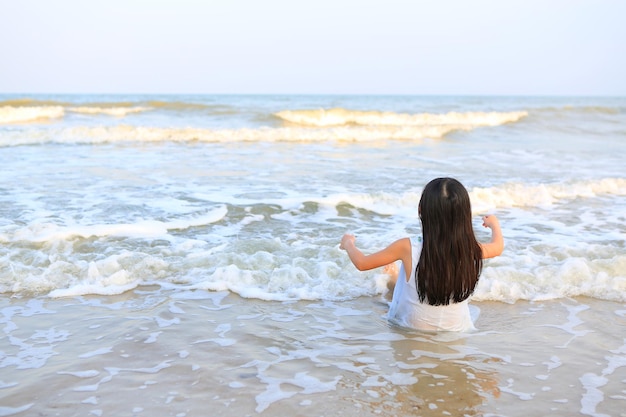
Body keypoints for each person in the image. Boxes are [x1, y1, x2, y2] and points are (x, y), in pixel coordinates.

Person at [340, 177, 503, 331]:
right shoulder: (470, 249)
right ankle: (396, 279)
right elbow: (498, 247)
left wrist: (348, 243)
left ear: (421, 210)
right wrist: (494, 225)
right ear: (464, 215)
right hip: (457, 329)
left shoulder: (407, 247)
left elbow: (362, 263)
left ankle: (394, 280)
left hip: (410, 327)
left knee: (397, 289)